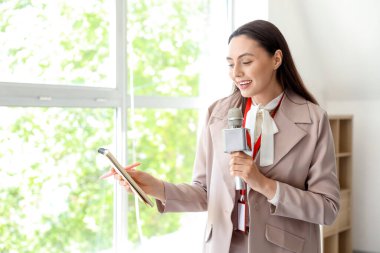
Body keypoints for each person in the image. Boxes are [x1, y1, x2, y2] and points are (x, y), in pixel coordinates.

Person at [109, 20, 340, 253]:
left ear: (276, 59)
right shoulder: (217, 114)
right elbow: (204, 192)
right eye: (231, 64)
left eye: (246, 62)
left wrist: (264, 184)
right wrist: (157, 187)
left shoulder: (314, 119)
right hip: (223, 245)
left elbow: (327, 208)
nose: (236, 73)